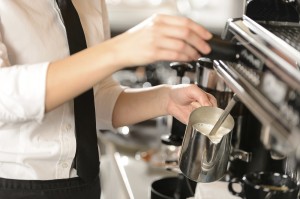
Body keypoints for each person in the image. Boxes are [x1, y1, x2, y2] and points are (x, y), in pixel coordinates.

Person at [0, 0, 217, 198]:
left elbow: (91, 99)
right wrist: (119, 49)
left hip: (85, 186)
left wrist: (166, 99)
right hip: (14, 186)